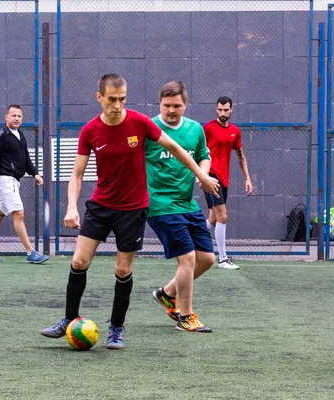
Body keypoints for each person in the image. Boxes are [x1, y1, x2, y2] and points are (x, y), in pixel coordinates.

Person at [40, 74, 219, 349]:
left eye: (122, 99)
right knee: (78, 262)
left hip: (133, 209)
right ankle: (68, 320)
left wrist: (202, 176)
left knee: (123, 269)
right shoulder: (90, 131)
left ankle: (116, 329)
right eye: (111, 100)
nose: (117, 105)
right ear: (99, 98)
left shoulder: (139, 123)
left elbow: (176, 148)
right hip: (100, 206)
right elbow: (76, 174)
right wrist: (72, 207)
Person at [147, 81, 215, 332]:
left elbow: (203, 156)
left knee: (207, 259)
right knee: (187, 258)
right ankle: (185, 316)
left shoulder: (195, 129)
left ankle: (167, 293)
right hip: (160, 204)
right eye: (167, 106)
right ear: (160, 104)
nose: (171, 111)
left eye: (177, 106)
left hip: (187, 203)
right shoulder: (150, 128)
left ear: (185, 105)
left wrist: (203, 175)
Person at [0, 105, 49, 264]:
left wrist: (35, 173)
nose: (17, 118)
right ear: (6, 117)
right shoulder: (0, 135)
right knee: (19, 214)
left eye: (19, 116)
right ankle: (31, 252)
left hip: (13, 181)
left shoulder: (20, 135)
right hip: (3, 180)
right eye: (13, 115)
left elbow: (26, 158)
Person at [202, 96, 253, 270]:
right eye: (220, 109)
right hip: (210, 176)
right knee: (223, 216)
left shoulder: (235, 131)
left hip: (224, 178)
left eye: (226, 110)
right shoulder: (207, 128)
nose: (223, 112)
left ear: (231, 110)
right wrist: (200, 175)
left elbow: (241, 156)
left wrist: (247, 178)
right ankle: (222, 259)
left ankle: (189, 240)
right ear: (216, 109)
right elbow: (196, 151)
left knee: (214, 219)